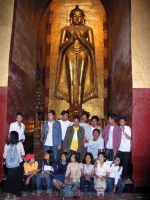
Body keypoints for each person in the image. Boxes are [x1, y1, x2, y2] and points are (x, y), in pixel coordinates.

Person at [55, 5, 98, 111]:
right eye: (74, 16)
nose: (77, 18)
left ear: (83, 18)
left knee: (81, 79)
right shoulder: (65, 29)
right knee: (70, 79)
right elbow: (60, 47)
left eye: (79, 16)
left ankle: (79, 104)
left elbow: (92, 47)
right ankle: (71, 104)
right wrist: (71, 39)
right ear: (71, 18)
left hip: (83, 53)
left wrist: (81, 39)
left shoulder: (88, 29)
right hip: (69, 53)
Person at [3, 131, 25, 200]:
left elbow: (5, 156)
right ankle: (15, 196)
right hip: (18, 164)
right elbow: (23, 153)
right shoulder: (19, 144)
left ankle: (8, 195)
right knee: (17, 180)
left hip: (9, 165)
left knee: (9, 180)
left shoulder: (6, 145)